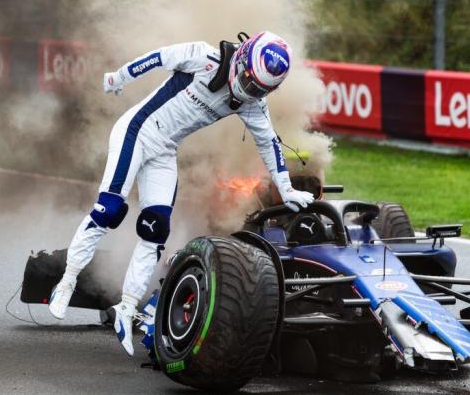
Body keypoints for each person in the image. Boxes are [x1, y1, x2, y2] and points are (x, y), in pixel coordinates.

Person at [48, 31, 315, 356]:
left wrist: (285, 186)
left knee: (156, 228)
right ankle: (67, 281)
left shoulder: (253, 104)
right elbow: (156, 58)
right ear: (242, 58)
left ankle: (127, 307)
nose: (250, 90)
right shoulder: (202, 58)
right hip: (137, 130)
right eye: (249, 80)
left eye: (261, 88)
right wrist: (118, 77)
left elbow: (269, 143)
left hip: (164, 150)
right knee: (109, 210)